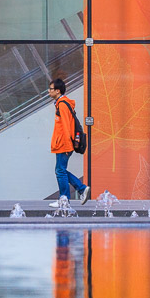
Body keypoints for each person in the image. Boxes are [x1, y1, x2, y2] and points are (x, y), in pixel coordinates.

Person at [47, 78, 89, 207]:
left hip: (63, 145)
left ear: (58, 91)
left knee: (60, 171)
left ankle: (64, 199)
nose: (49, 91)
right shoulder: (61, 103)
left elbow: (66, 127)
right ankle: (81, 189)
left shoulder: (63, 105)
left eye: (51, 89)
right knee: (61, 170)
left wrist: (66, 146)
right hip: (62, 144)